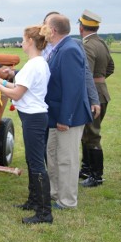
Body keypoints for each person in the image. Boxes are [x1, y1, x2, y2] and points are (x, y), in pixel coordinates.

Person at [0, 25, 52, 224]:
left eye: (23, 39)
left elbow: (17, 94)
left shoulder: (34, 65)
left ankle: (44, 213)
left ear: (30, 41)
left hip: (34, 118)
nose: (21, 42)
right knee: (33, 161)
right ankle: (33, 201)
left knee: (37, 164)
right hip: (32, 116)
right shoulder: (37, 63)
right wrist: (2, 82)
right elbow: (20, 87)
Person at [44, 14, 92, 209]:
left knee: (67, 159)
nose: (43, 29)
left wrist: (65, 118)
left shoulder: (69, 50)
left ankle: (67, 200)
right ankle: (55, 192)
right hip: (56, 116)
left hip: (68, 118)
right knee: (53, 155)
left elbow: (72, 89)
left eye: (45, 26)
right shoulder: (60, 48)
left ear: (53, 30)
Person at [78, 9, 114, 187]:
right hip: (101, 92)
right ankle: (86, 169)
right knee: (87, 133)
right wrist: (99, 82)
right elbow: (111, 68)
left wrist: (92, 85)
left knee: (91, 134)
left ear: (81, 27)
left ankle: (96, 176)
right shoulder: (101, 43)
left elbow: (85, 73)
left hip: (92, 95)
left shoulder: (86, 45)